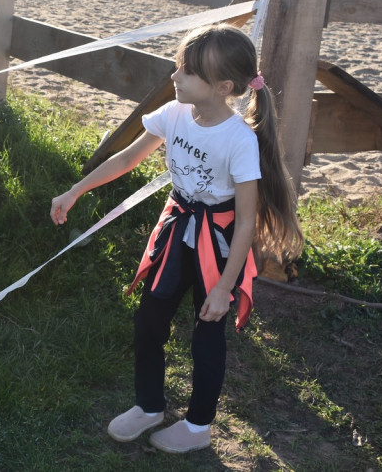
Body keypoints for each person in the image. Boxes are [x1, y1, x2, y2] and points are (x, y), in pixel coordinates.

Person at [50, 23, 303, 454]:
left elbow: (245, 222)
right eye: (178, 65)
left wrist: (225, 287)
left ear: (223, 86)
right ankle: (149, 406)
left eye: (186, 71)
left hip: (218, 246)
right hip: (177, 229)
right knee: (148, 322)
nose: (174, 76)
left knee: (207, 335)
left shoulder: (239, 141)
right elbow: (129, 157)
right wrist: (77, 189)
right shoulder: (174, 113)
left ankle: (198, 426)